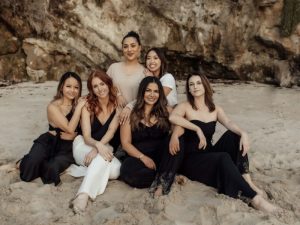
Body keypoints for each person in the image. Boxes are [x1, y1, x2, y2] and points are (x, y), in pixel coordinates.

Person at [169, 73, 278, 213]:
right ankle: (256, 200)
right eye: (191, 84)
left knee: (234, 136)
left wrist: (243, 133)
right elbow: (173, 117)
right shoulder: (185, 106)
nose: (195, 87)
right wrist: (196, 128)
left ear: (205, 85)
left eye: (198, 83)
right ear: (188, 89)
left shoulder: (215, 109)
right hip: (192, 159)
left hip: (208, 152)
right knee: (223, 157)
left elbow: (228, 122)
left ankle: (248, 182)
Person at [19, 72, 86, 186]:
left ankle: (43, 163)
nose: (72, 90)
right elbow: (70, 128)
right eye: (68, 86)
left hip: (67, 147)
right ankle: (20, 162)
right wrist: (79, 107)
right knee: (29, 168)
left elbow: (84, 129)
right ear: (61, 87)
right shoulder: (53, 106)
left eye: (76, 87)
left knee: (52, 168)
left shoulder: (81, 104)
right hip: (49, 141)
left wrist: (75, 135)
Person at [68, 70, 121, 214]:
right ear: (92, 89)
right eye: (95, 86)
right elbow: (86, 136)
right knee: (103, 157)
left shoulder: (117, 104)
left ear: (108, 84)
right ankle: (83, 194)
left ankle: (83, 170)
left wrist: (99, 148)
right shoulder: (87, 106)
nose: (100, 89)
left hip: (103, 147)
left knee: (116, 171)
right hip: (83, 145)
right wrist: (97, 146)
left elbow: (111, 130)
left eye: (102, 84)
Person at [120, 76, 174, 190]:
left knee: (174, 141)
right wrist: (143, 157)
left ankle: (164, 173)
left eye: (156, 91)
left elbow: (178, 129)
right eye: (148, 90)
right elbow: (125, 143)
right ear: (142, 92)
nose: (152, 95)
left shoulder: (166, 111)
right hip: (137, 157)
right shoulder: (130, 113)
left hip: (161, 156)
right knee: (129, 172)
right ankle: (164, 175)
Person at [107, 31, 146, 124]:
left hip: (134, 118)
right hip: (112, 116)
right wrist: (118, 95)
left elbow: (145, 97)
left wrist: (130, 107)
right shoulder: (113, 68)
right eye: (125, 46)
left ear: (139, 48)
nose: (129, 49)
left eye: (133, 46)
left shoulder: (145, 72)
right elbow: (104, 86)